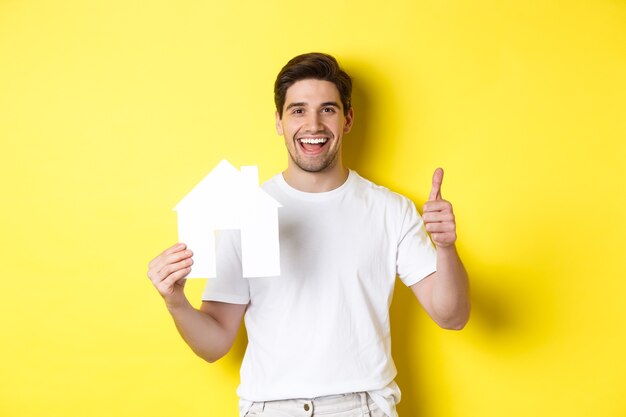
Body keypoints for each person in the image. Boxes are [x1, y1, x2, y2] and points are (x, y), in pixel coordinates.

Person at [147, 52, 470, 417]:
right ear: (279, 122)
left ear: (347, 119)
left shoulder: (390, 210)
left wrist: (445, 248)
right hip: (271, 408)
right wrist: (175, 301)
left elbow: (452, 316)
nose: (313, 125)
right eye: (298, 110)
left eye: (328, 109)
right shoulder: (247, 209)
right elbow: (214, 343)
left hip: (363, 405)